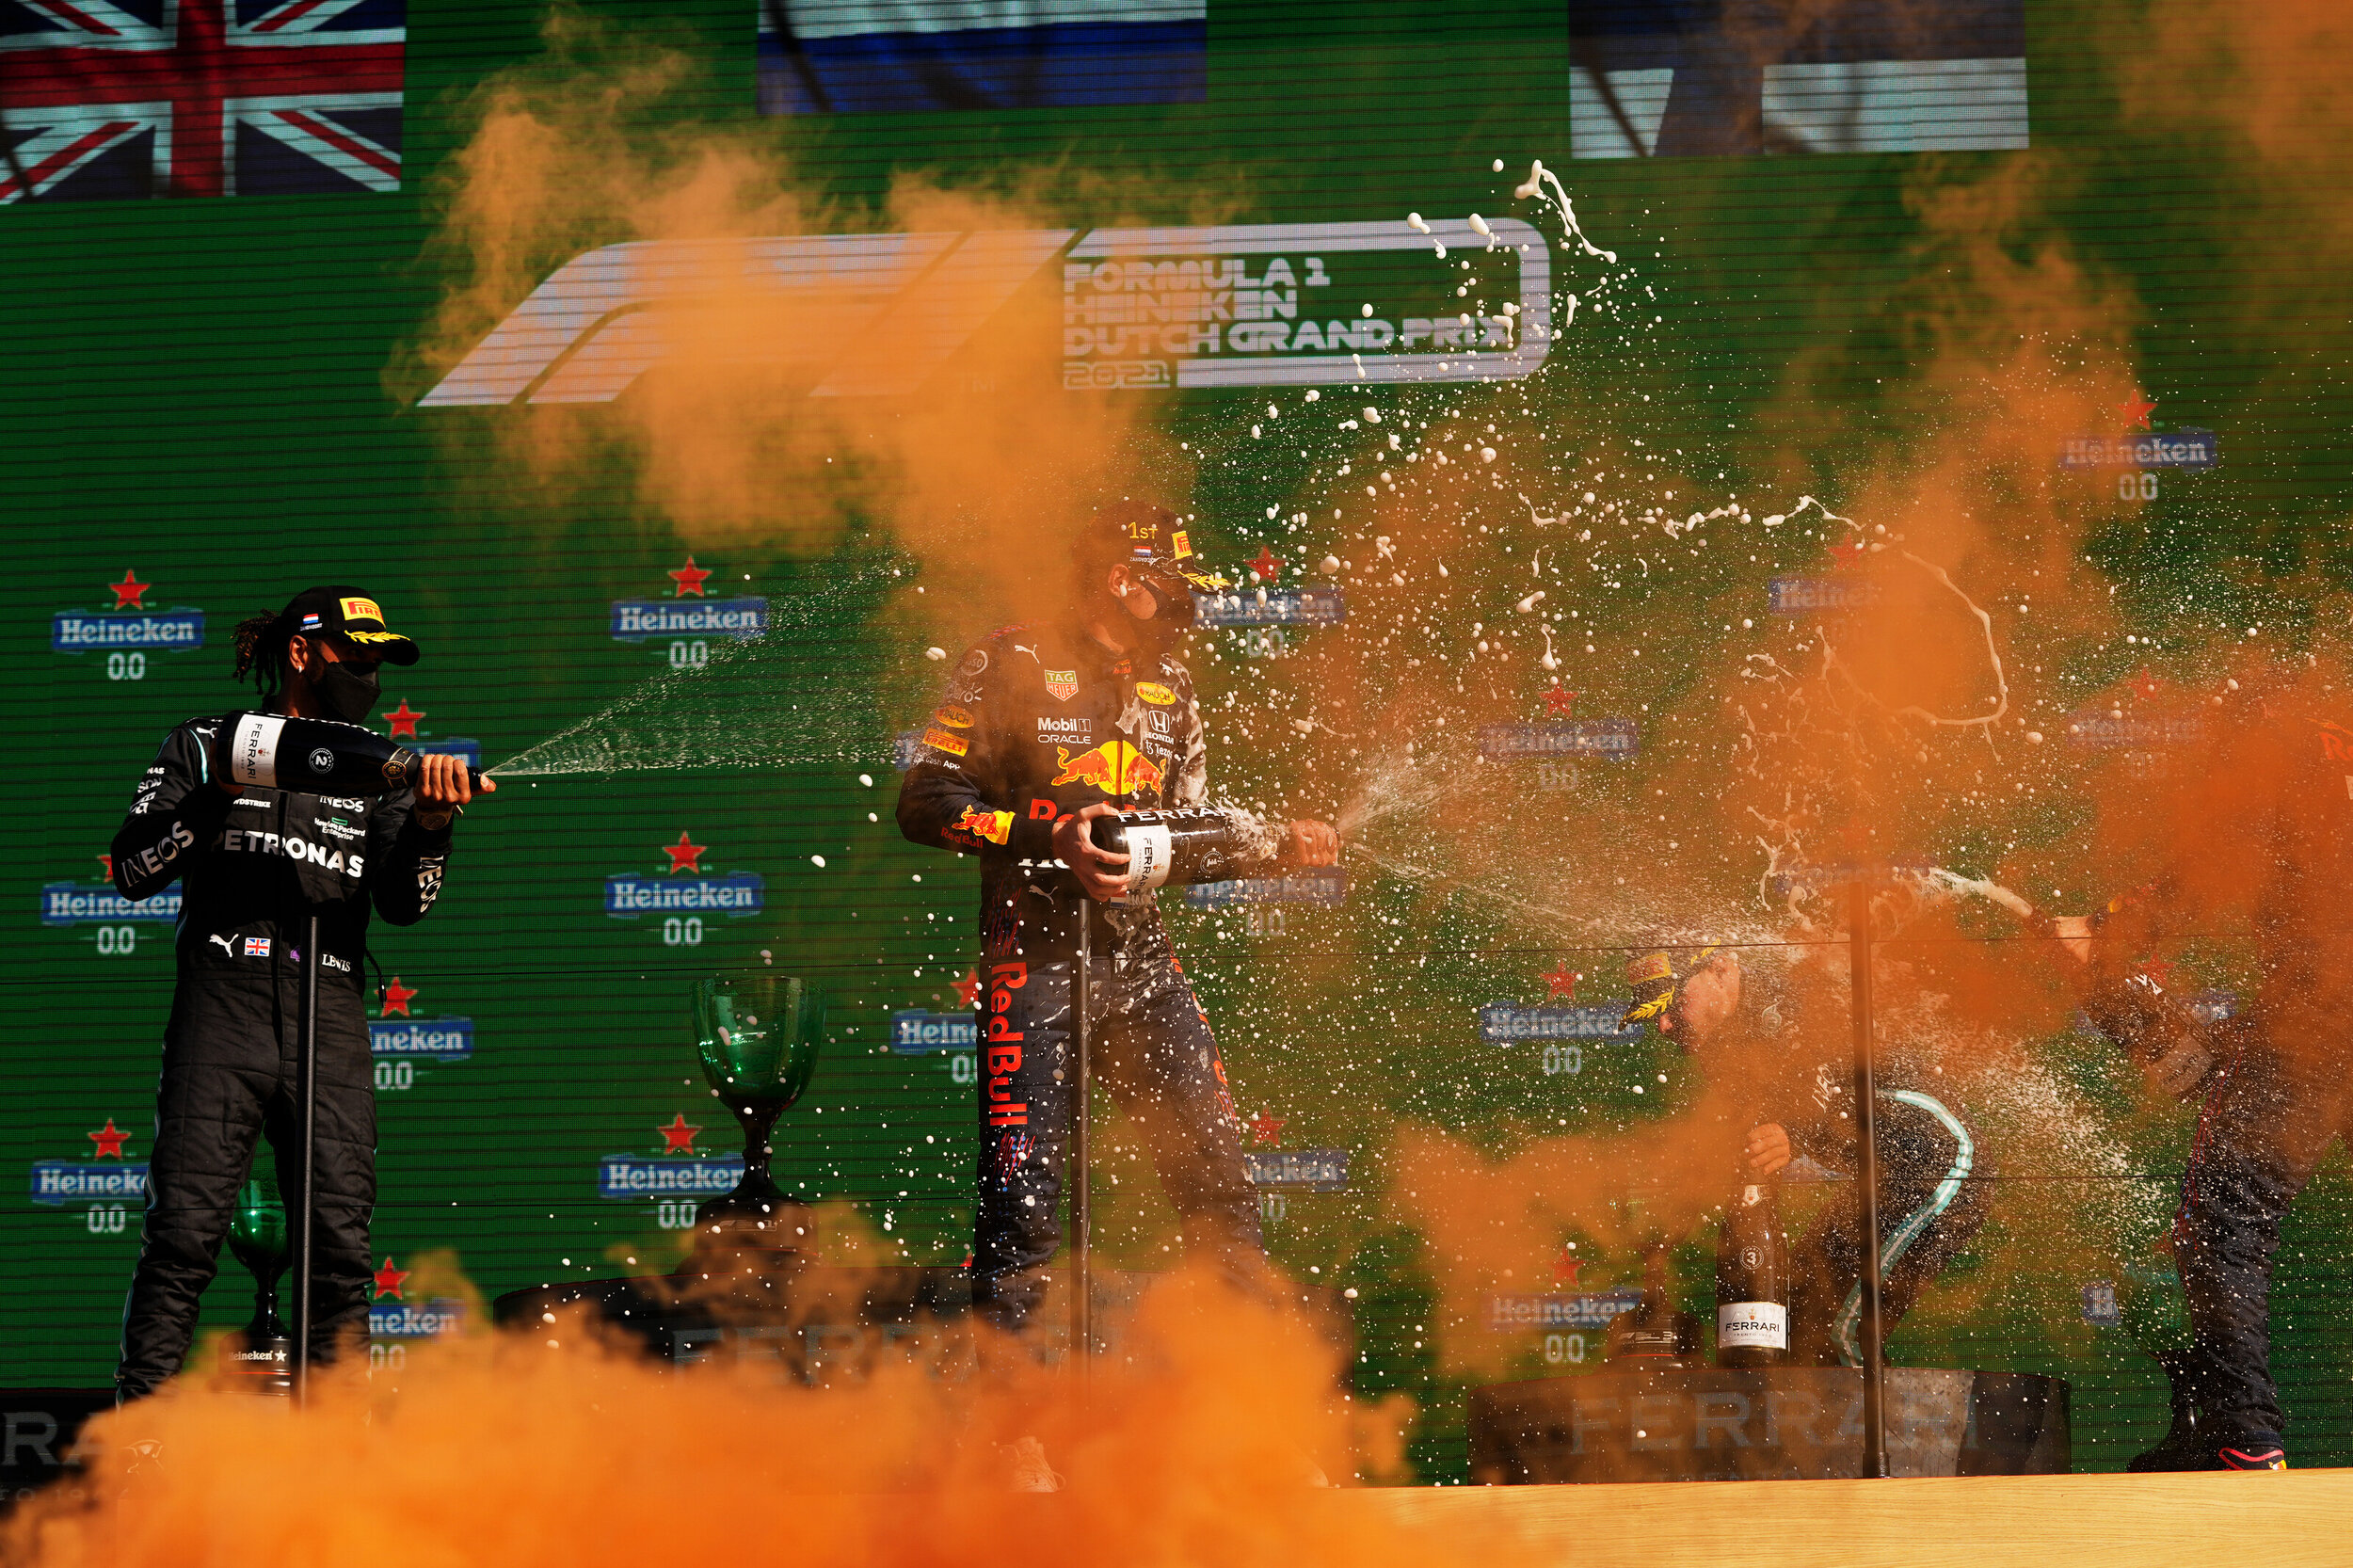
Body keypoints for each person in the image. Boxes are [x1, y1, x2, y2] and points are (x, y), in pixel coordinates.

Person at [897, 501, 1339, 1342]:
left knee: (1220, 1192)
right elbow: (923, 802)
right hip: (1031, 969)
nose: (1189, 605)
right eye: (1174, 588)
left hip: (1144, 971)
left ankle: (1245, 1401)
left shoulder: (1174, 689)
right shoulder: (1010, 658)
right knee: (1023, 1209)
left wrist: (1275, 846)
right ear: (1119, 580)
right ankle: (1016, 1411)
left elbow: (1178, 836)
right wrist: (1050, 837)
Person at [111, 587, 490, 1399]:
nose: (368, 674)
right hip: (223, 1006)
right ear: (301, 652)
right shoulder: (205, 742)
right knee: (183, 1238)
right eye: (356, 654)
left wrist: (431, 826)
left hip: (332, 1014)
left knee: (339, 1254)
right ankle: (137, 1441)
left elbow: (405, 905)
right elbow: (134, 869)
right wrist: (219, 792)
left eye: (379, 660)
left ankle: (336, 1450)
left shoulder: (382, 768)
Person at [1623, 939, 1986, 1367]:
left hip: (1938, 1164)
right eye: (1654, 1014)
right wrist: (1665, 1233)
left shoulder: (1793, 999)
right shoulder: (1721, 1043)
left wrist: (1792, 1132)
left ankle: (1870, 1413)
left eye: (1673, 1004)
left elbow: (1823, 1085)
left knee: (1834, 1332)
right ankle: (1825, 1411)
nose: (1664, 1025)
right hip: (1878, 1182)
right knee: (1798, 1324)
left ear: (1720, 970)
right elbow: (1736, 1142)